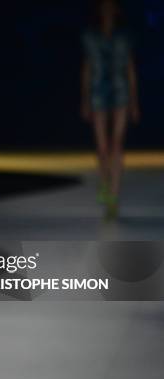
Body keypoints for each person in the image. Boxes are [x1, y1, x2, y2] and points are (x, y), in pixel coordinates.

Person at [80, 0, 140, 219]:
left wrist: (134, 101)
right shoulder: (90, 36)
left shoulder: (124, 36)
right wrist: (84, 99)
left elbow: (130, 68)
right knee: (102, 146)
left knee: (117, 144)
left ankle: (113, 196)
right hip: (97, 91)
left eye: (110, 5)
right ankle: (106, 184)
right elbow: (86, 68)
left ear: (116, 9)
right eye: (103, 5)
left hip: (120, 91)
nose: (107, 9)